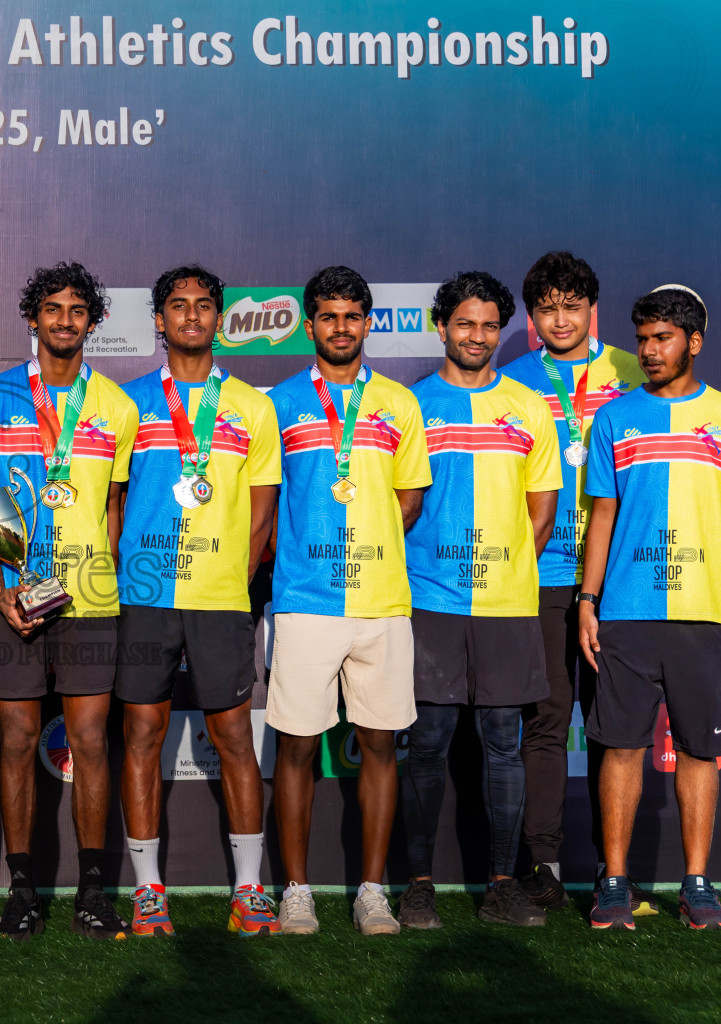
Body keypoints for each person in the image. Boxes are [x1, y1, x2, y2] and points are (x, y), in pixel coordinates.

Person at [579, 287, 721, 931]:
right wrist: (587, 599)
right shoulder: (613, 418)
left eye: (662, 338)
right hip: (626, 615)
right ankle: (614, 882)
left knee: (697, 752)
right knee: (621, 749)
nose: (649, 350)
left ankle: (697, 883)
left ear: (694, 341)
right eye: (643, 338)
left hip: (706, 613)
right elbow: (601, 517)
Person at [0, 262, 137, 940]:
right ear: (31, 320)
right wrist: (4, 583)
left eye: (76, 310)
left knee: (91, 740)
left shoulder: (117, 406)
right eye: (51, 309)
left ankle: (94, 890)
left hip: (90, 597)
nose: (64, 320)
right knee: (15, 739)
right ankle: (24, 889)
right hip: (15, 597)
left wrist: (92, 569)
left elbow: (113, 504)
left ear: (92, 322)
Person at [264, 265, 431, 936]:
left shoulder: (399, 402)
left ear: (369, 323)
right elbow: (266, 501)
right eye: (328, 316)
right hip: (304, 599)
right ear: (310, 326)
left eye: (352, 316)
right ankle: (296, 891)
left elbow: (410, 495)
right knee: (298, 747)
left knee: (381, 745)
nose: (341, 327)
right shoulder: (276, 403)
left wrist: (369, 545)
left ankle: (371, 892)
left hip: (383, 600)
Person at [115, 266, 280, 937]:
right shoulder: (127, 404)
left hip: (219, 597)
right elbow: (113, 501)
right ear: (158, 319)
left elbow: (263, 509)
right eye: (177, 306)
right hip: (145, 595)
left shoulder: (252, 406)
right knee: (142, 736)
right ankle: (149, 891)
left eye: (203, 305)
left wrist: (233, 582)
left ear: (220, 319)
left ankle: (249, 890)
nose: (190, 315)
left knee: (234, 736)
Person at [398, 272, 560, 929]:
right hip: (429, 599)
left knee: (502, 742)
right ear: (441, 327)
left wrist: (507, 573)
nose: (478, 336)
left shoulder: (528, 406)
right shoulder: (410, 406)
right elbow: (398, 507)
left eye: (490, 325)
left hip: (505, 603)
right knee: (429, 741)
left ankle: (501, 884)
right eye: (465, 324)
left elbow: (541, 514)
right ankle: (418, 886)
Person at [501, 252, 649, 912]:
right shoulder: (510, 383)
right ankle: (546, 865)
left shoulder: (629, 371)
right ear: (532, 318)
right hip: (541, 578)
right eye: (547, 309)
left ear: (593, 309)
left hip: (623, 580)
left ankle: (612, 873)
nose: (560, 319)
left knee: (615, 730)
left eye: (571, 306)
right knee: (547, 723)